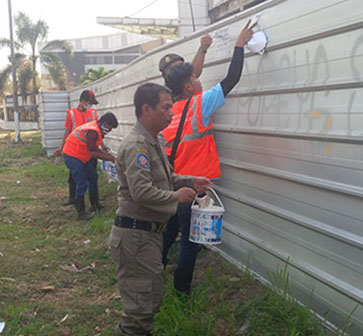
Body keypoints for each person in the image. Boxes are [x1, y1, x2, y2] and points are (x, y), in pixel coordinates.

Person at [160, 20, 256, 294]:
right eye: (195, 78)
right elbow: (232, 79)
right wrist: (239, 45)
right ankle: (182, 293)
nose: (199, 79)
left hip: (174, 187)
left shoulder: (167, 111)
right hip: (196, 187)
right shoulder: (199, 104)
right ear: (189, 86)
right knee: (191, 241)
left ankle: (156, 269)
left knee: (170, 231)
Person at [108, 83, 211, 336]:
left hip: (147, 236)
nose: (171, 113)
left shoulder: (153, 141)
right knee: (139, 311)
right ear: (146, 109)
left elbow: (163, 178)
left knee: (149, 302)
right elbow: (141, 191)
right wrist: (178, 197)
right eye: (166, 108)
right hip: (136, 238)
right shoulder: (137, 146)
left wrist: (188, 181)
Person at [55, 90, 106, 208]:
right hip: (75, 150)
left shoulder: (93, 113)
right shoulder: (71, 114)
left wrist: (102, 145)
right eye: (89, 102)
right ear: (82, 101)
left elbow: (97, 131)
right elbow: (67, 131)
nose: (90, 105)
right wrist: (62, 148)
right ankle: (74, 199)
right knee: (76, 176)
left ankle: (94, 202)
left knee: (92, 175)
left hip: (90, 150)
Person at [62, 112, 117, 220]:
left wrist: (109, 156)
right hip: (72, 155)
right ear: (105, 123)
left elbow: (94, 149)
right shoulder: (93, 132)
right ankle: (81, 211)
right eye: (110, 127)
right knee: (81, 182)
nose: (109, 130)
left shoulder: (96, 128)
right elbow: (93, 152)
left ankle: (95, 204)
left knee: (93, 177)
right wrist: (110, 158)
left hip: (81, 155)